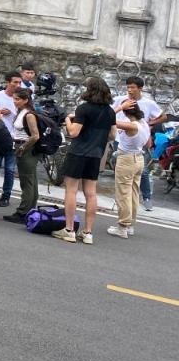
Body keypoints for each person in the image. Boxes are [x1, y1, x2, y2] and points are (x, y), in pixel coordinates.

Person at [53, 76, 116, 244]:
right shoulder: (110, 111)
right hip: (96, 154)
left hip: (78, 152)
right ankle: (88, 232)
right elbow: (113, 135)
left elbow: (73, 132)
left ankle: (69, 229)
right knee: (91, 193)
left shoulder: (84, 109)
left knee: (71, 190)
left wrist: (68, 119)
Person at [112, 76, 164, 212]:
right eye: (128, 87)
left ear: (140, 88)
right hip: (121, 139)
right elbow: (108, 112)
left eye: (132, 87)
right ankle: (123, 195)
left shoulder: (148, 103)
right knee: (119, 165)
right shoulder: (120, 100)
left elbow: (163, 116)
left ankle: (146, 197)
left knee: (143, 171)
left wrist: (149, 124)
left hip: (139, 140)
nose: (129, 90)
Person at [109, 105, 150, 239]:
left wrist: (120, 107)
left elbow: (108, 118)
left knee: (123, 194)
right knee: (133, 193)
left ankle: (122, 227)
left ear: (127, 113)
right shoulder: (143, 123)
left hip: (127, 160)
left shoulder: (132, 126)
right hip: (138, 158)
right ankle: (130, 225)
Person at [4, 88, 41, 224]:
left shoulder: (29, 115)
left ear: (26, 100)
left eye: (18, 99)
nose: (15, 101)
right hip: (22, 147)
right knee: (31, 181)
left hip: (27, 150)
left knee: (27, 182)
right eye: (14, 98)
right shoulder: (21, 112)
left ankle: (22, 213)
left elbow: (35, 136)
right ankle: (29, 211)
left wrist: (22, 148)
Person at [0, 72, 22, 207]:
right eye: (15, 82)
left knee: (9, 169)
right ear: (8, 82)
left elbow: (23, 116)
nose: (17, 85)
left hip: (13, 138)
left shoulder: (20, 99)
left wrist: (11, 112)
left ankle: (6, 196)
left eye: (19, 83)